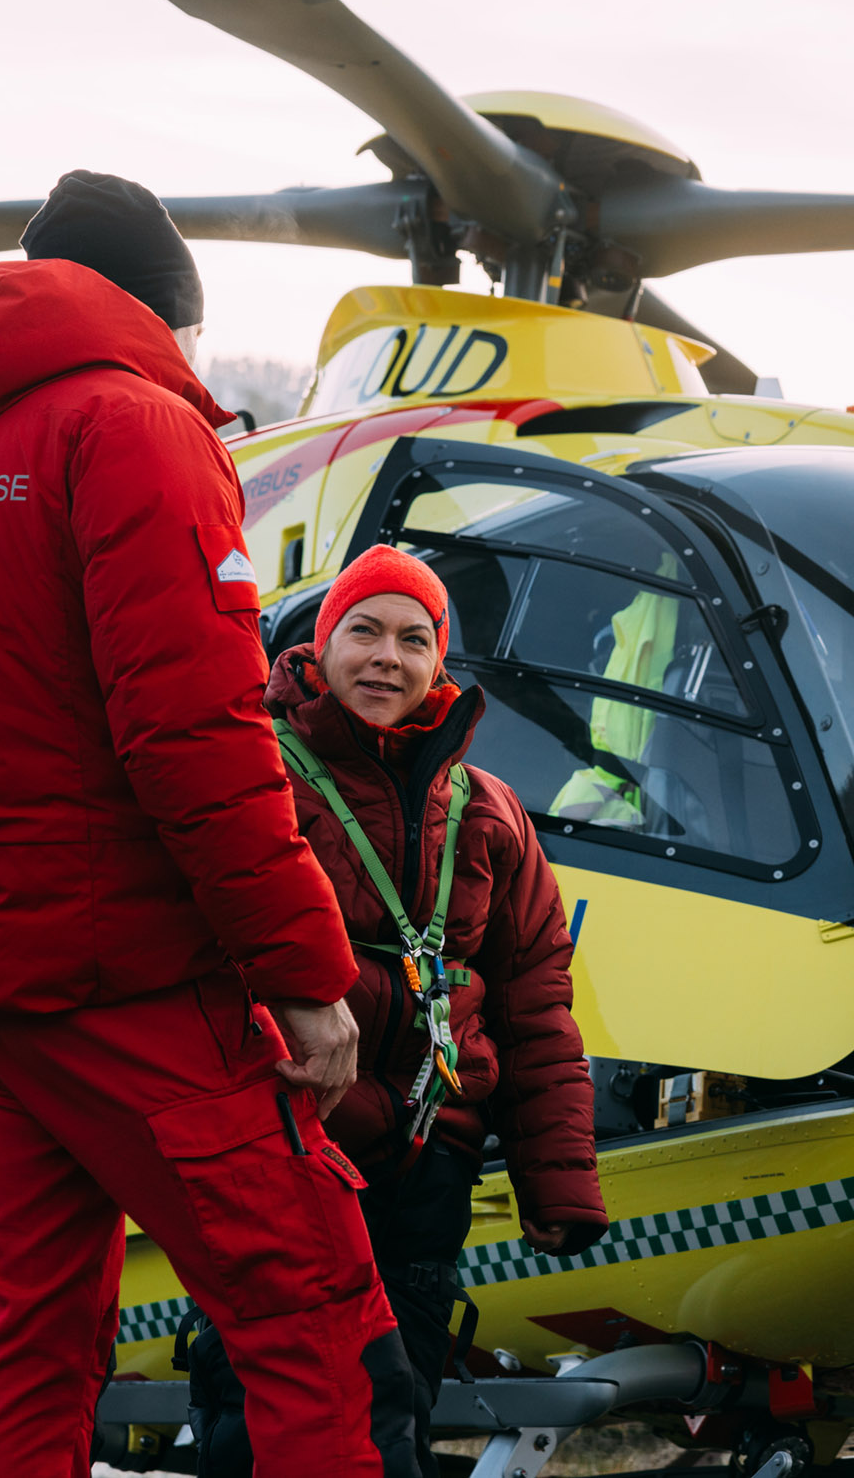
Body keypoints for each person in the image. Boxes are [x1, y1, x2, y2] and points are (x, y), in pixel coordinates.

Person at [0, 171, 423, 1478]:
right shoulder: (139, 430)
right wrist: (308, 978)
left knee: (38, 1338)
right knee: (315, 1317)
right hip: (130, 977)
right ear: (162, 309)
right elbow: (195, 741)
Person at [181, 544, 606, 1475]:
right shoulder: (262, 773)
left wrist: (558, 1182)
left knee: (397, 1406)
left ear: (439, 663)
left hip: (427, 1166)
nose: (387, 657)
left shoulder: (492, 813)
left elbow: (539, 1003)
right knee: (256, 1407)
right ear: (322, 647)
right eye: (363, 631)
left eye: (414, 639)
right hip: (287, 1136)